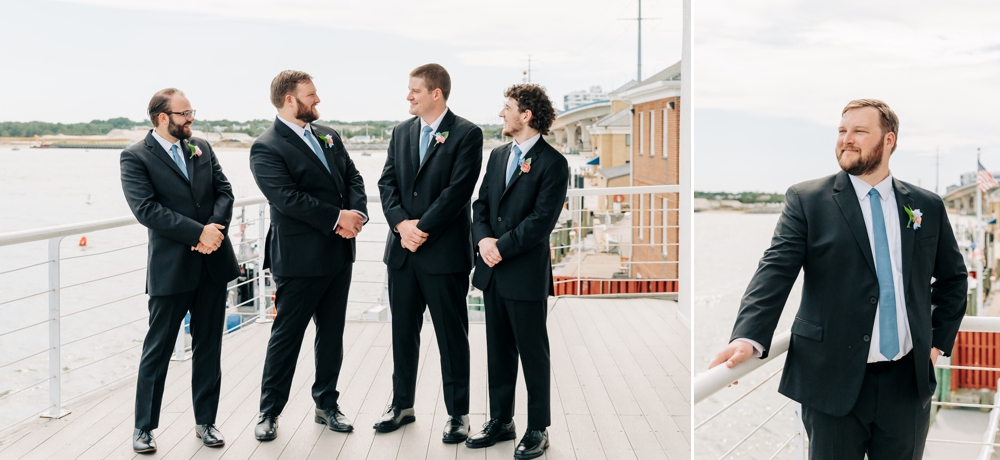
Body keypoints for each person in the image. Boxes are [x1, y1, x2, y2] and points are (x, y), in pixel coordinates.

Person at [709, 99, 968, 459]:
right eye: (842, 131)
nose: (847, 139)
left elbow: (954, 279)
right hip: (831, 381)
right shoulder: (807, 200)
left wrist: (936, 345)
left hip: (906, 385)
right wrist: (748, 336)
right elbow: (776, 269)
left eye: (859, 131)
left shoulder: (927, 205)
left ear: (888, 140)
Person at [249, 70, 368, 441]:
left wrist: (358, 215)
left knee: (331, 336)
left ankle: (327, 404)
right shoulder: (266, 147)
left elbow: (353, 178)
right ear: (289, 100)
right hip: (299, 260)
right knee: (287, 337)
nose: (317, 100)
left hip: (338, 254)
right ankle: (269, 412)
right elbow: (287, 199)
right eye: (311, 95)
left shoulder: (329, 135)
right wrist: (337, 218)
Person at [120, 88, 240, 453]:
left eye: (192, 112)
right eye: (184, 113)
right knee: (157, 351)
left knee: (209, 349)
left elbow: (225, 192)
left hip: (212, 263)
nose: (191, 119)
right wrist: (197, 232)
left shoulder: (201, 146)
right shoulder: (135, 156)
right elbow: (147, 210)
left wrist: (213, 234)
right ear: (162, 118)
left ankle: (206, 422)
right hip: (171, 270)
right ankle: (144, 428)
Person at [374, 63, 483, 443]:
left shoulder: (467, 133)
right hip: (402, 253)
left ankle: (458, 414)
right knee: (403, 334)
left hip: (444, 255)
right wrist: (401, 226)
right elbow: (386, 183)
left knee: (452, 337)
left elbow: (458, 192)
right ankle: (401, 405)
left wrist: (421, 229)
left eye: (414, 90)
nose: (408, 96)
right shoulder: (401, 132)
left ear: (435, 93)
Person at [467, 84, 567, 459]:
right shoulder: (496, 156)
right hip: (493, 271)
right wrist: (482, 242)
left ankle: (538, 428)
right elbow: (480, 205)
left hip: (524, 273)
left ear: (525, 115)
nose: (501, 114)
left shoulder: (553, 163)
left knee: (533, 353)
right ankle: (501, 421)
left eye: (507, 108)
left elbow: (540, 223)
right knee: (498, 352)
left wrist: (498, 247)